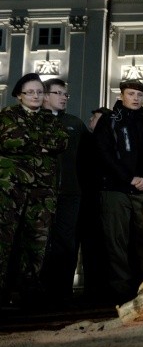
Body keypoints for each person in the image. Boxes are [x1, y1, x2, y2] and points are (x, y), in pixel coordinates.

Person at [0, 73, 68, 308]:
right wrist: (39, 144)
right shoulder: (7, 115)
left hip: (42, 190)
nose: (36, 96)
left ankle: (28, 290)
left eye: (40, 92)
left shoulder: (51, 119)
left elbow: (61, 142)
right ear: (19, 95)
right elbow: (9, 141)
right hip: (10, 189)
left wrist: (29, 142)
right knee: (4, 239)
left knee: (37, 241)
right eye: (31, 92)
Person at [94, 80, 143, 303]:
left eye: (140, 95)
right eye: (131, 94)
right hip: (115, 188)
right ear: (121, 95)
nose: (136, 98)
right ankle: (120, 291)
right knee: (116, 241)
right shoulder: (110, 120)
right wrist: (129, 178)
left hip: (142, 189)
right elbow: (104, 153)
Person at [39, 78, 89, 307]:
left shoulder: (75, 124)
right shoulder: (34, 120)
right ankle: (35, 290)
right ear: (45, 95)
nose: (62, 97)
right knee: (39, 241)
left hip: (70, 191)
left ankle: (62, 291)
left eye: (65, 94)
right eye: (57, 93)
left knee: (66, 242)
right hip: (39, 192)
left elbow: (87, 159)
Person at [76, 106, 112, 305]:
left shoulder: (103, 142)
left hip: (100, 198)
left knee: (100, 245)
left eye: (96, 118)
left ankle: (97, 290)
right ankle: (91, 289)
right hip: (87, 199)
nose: (92, 121)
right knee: (90, 245)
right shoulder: (86, 139)